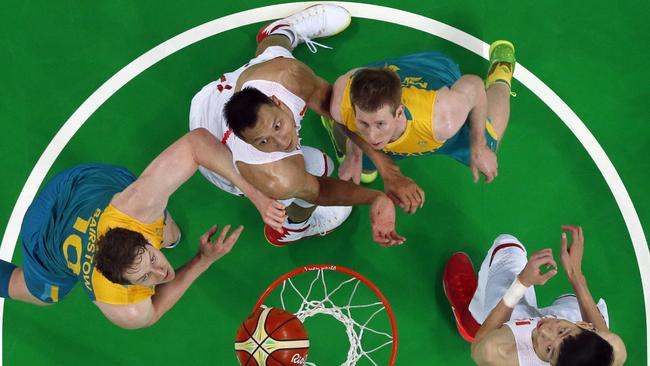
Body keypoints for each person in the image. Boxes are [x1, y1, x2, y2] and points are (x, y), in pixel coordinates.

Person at [0, 127, 283, 329]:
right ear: (125, 286)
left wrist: (256, 195)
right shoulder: (123, 308)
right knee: (41, 295)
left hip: (79, 186)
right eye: (145, 277)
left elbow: (197, 143)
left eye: (151, 259)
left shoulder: (135, 207)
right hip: (44, 239)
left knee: (167, 227)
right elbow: (154, 310)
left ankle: (164, 236)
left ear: (141, 236)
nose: (161, 272)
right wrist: (201, 260)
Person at [190, 4, 404, 247]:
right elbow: (318, 191)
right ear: (248, 142)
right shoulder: (276, 175)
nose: (282, 142)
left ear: (277, 100)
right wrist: (376, 198)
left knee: (274, 53)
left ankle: (284, 30)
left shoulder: (285, 76)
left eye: (278, 126)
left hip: (217, 96)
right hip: (221, 159)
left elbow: (334, 107)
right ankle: (293, 229)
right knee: (320, 166)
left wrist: (381, 164)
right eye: (263, 141)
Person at [325, 41, 516, 214]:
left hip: (436, 70)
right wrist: (355, 152)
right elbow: (353, 76)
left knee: (489, 147)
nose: (372, 136)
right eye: (364, 123)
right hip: (385, 73)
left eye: (380, 124)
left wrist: (479, 145)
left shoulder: (443, 119)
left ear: (399, 113)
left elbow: (474, 86)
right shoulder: (341, 105)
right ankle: (352, 143)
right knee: (350, 141)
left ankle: (501, 76)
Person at [443, 226, 627, 365]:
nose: (545, 330)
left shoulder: (504, 353)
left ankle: (471, 320)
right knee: (571, 300)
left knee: (508, 248)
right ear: (586, 326)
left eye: (549, 350)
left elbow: (479, 347)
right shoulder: (610, 350)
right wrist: (575, 274)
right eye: (562, 331)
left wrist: (522, 282)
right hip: (569, 329)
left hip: (519, 336)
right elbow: (602, 336)